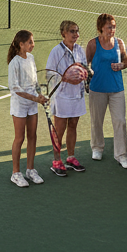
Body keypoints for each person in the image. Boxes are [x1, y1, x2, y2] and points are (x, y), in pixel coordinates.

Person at [86, 13, 127, 169]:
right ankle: (97, 147)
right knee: (96, 121)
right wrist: (88, 76)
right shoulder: (93, 44)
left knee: (120, 121)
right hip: (97, 89)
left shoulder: (120, 43)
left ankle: (121, 155)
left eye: (114, 26)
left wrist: (121, 66)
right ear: (101, 28)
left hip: (116, 89)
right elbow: (86, 65)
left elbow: (125, 62)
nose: (112, 29)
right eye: (109, 27)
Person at [45, 20, 88, 174]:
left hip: (78, 95)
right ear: (63, 33)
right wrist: (64, 77)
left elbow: (84, 67)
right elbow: (49, 73)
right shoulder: (56, 51)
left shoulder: (79, 50)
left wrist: (86, 73)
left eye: (77, 31)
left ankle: (70, 157)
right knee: (59, 129)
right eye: (72, 31)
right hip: (62, 96)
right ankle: (56, 161)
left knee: (73, 125)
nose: (76, 34)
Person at [7, 29, 48, 187]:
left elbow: (35, 82)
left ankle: (30, 170)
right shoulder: (14, 63)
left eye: (33, 41)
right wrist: (35, 98)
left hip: (33, 104)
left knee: (33, 136)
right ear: (21, 44)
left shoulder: (30, 58)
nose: (33, 45)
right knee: (20, 138)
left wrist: (40, 95)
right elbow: (15, 88)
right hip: (19, 105)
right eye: (30, 42)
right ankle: (16, 173)